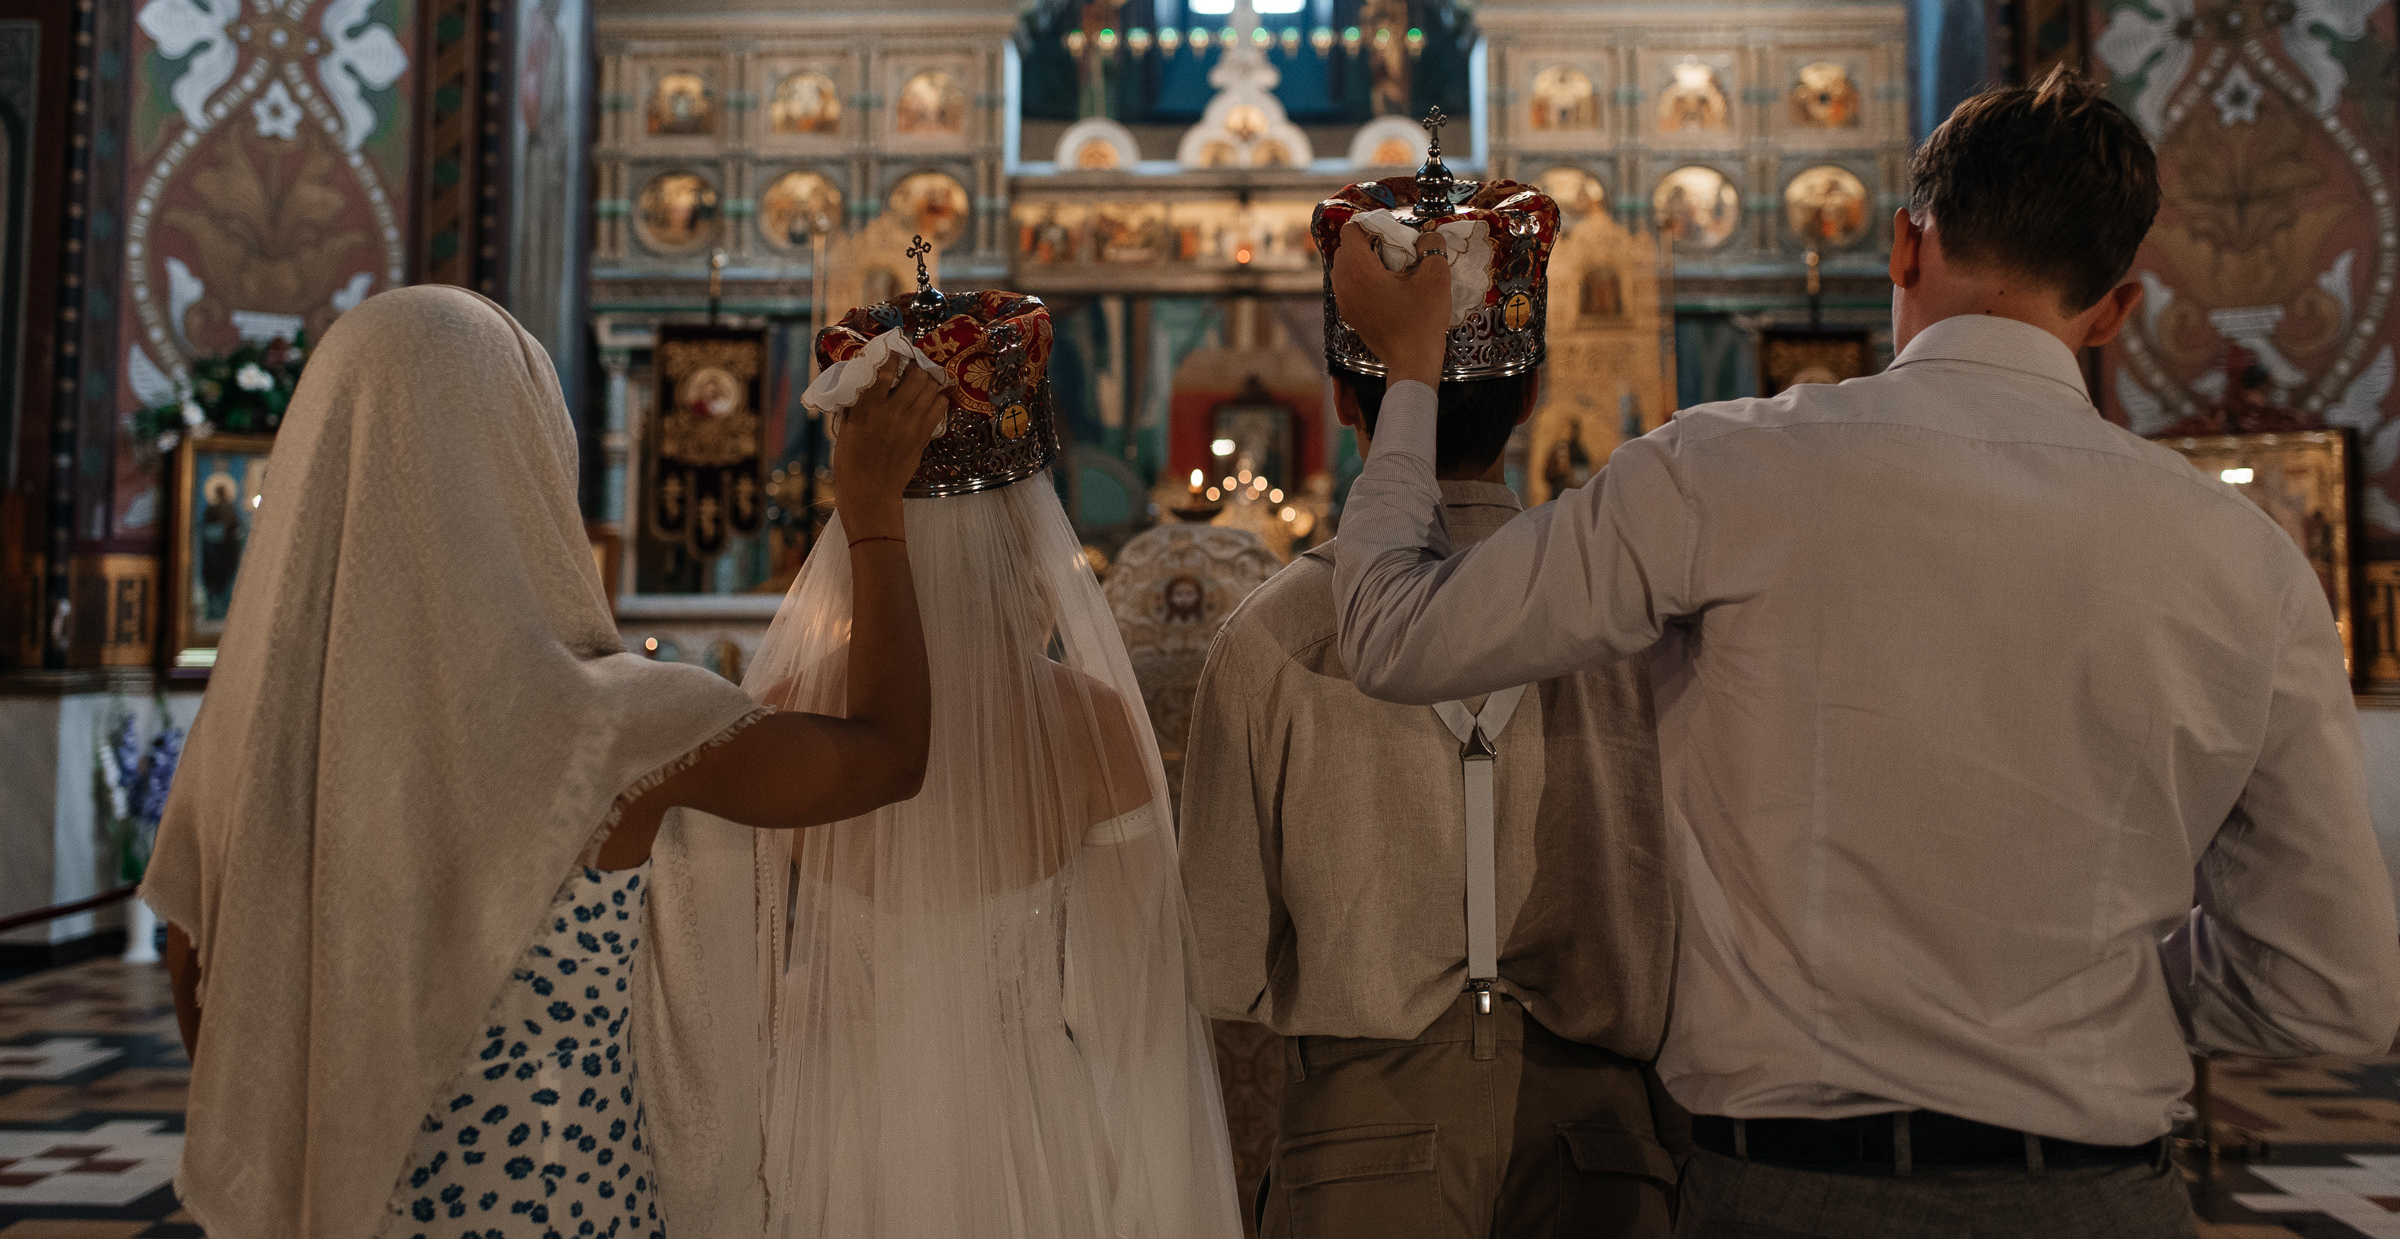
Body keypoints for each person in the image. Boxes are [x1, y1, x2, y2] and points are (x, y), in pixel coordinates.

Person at [1327, 72, 2400, 1239]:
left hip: (1788, 1197)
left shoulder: (1723, 474)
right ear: (2116, 311)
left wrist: (1412, 372)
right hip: (2102, 1198)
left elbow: (1396, 632)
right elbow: (2337, 998)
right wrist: (2093, 980)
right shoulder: (2246, 562)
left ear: (1902, 246)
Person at [142, 284, 948, 1239]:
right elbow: (890, 756)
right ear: (526, 459)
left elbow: (230, 1064)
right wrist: (871, 514)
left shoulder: (241, 767)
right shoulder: (610, 730)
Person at [649, 279, 1244, 1239]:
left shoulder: (785, 709)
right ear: (1031, 530)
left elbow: (729, 991)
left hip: (825, 1127)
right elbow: (1140, 1023)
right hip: (1028, 1131)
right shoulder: (1091, 728)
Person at [1181, 162, 1681, 1239]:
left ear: (1345, 399)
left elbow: (1218, 956)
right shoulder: (1629, 617)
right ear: (1536, 395)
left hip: (1366, 1136)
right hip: (1604, 1141)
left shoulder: (1271, 637)